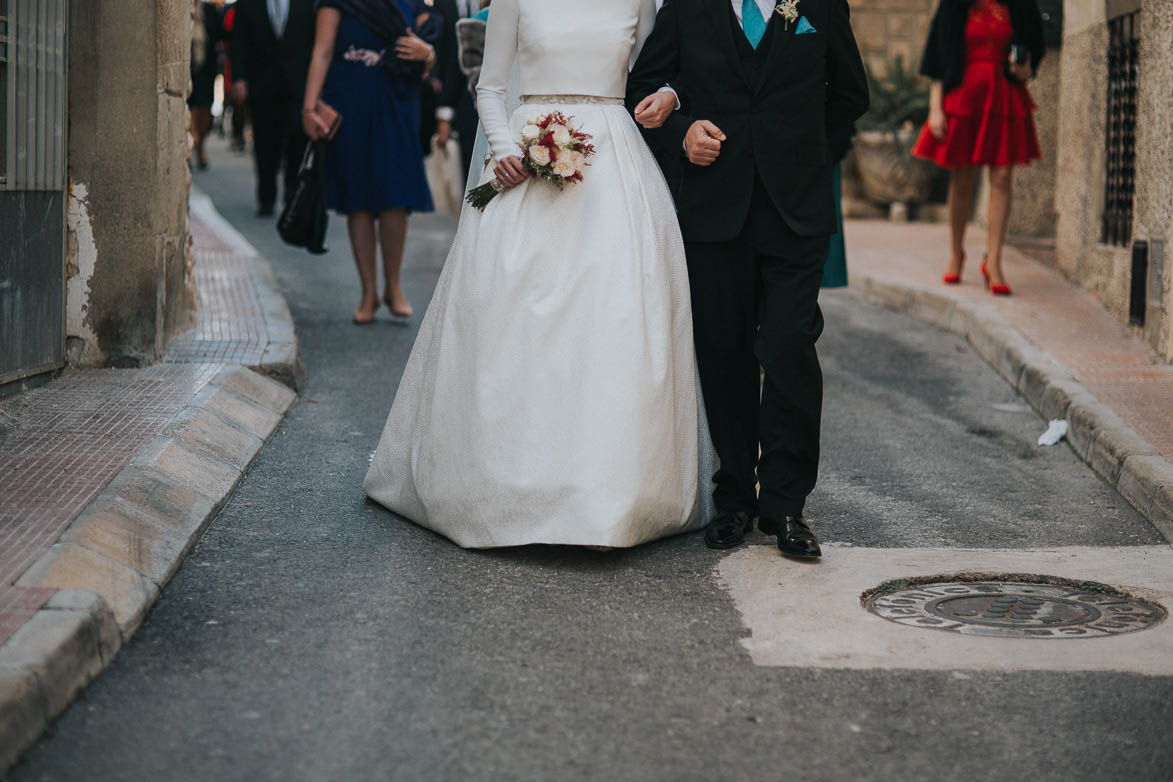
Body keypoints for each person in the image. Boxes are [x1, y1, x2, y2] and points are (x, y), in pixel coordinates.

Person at [363, 0, 717, 549]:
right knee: (513, 317)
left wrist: (669, 95)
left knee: (613, 317)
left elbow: (660, 69)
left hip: (615, 164)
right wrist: (506, 150)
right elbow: (490, 84)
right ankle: (499, 484)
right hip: (528, 155)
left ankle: (614, 491)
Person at [628, 0, 869, 558]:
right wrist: (683, 134)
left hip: (796, 215)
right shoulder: (688, 6)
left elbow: (851, 94)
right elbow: (642, 89)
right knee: (725, 353)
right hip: (715, 209)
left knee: (787, 347)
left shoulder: (821, 4)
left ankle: (785, 507)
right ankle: (735, 496)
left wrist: (804, 156)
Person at [302, 0, 439, 324]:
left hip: (397, 101)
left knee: (395, 194)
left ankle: (393, 287)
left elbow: (428, 51)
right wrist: (309, 108)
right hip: (349, 101)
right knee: (358, 198)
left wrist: (428, 54)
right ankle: (368, 292)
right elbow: (321, 51)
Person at [912, 0, 1044, 296]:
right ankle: (956, 252)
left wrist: (1025, 68)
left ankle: (994, 261)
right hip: (963, 94)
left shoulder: (1019, 5)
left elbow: (1034, 50)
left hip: (1004, 94)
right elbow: (936, 55)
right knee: (963, 179)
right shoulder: (954, 5)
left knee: (1001, 177)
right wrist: (936, 108)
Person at [231, 0, 316, 216]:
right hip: (262, 86)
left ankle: (292, 188)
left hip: (298, 85)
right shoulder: (248, 3)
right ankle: (266, 196)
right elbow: (238, 40)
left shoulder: (308, 4)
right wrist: (239, 78)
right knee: (265, 143)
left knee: (298, 137)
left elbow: (316, 41)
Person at [432, 0, 483, 180]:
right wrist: (444, 113)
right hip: (462, 100)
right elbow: (444, 55)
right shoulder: (442, 4)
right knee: (469, 168)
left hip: (499, 93)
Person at [189, 1, 223, 171]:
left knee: (204, 108)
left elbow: (219, 35)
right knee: (190, 108)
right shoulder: (186, 9)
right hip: (189, 69)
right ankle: (191, 144)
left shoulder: (210, 10)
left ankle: (200, 144)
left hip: (207, 69)